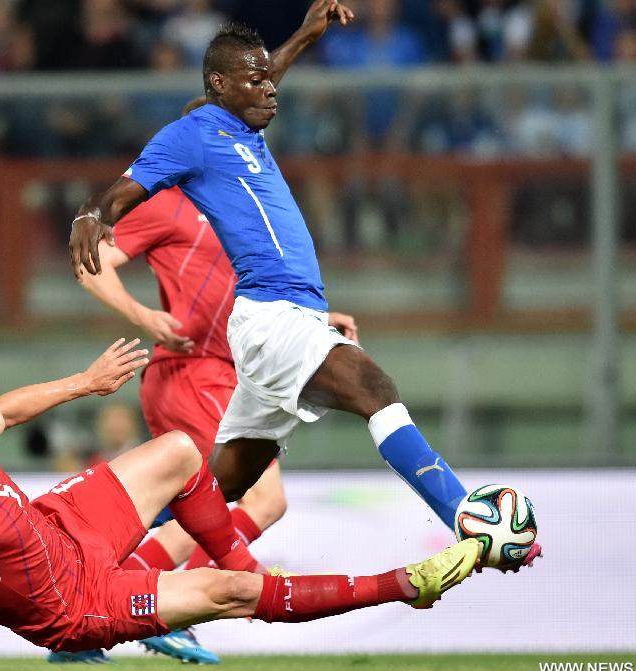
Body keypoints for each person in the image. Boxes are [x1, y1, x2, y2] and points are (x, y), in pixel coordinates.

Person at [68, 6, 542, 568]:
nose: (270, 89)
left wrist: (306, 35)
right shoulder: (191, 134)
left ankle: (94, 533)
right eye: (255, 81)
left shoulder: (246, 128)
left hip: (283, 318)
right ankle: (465, 515)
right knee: (374, 388)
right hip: (270, 318)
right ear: (219, 84)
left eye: (268, 79)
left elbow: (265, 72)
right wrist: (90, 214)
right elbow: (122, 191)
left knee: (225, 486)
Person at [66, 1, 359, 665]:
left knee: (230, 502)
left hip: (231, 368)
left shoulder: (232, 195)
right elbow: (91, 264)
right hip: (190, 371)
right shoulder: (168, 202)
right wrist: (145, 318)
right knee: (258, 498)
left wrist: (319, 319)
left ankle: (115, 610)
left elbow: (248, 281)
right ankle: (151, 604)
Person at [0, 338, 483, 664]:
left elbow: (6, 411)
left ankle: (239, 558)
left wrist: (87, 383)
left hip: (63, 527)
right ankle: (405, 585)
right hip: (81, 602)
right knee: (233, 592)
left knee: (179, 450)